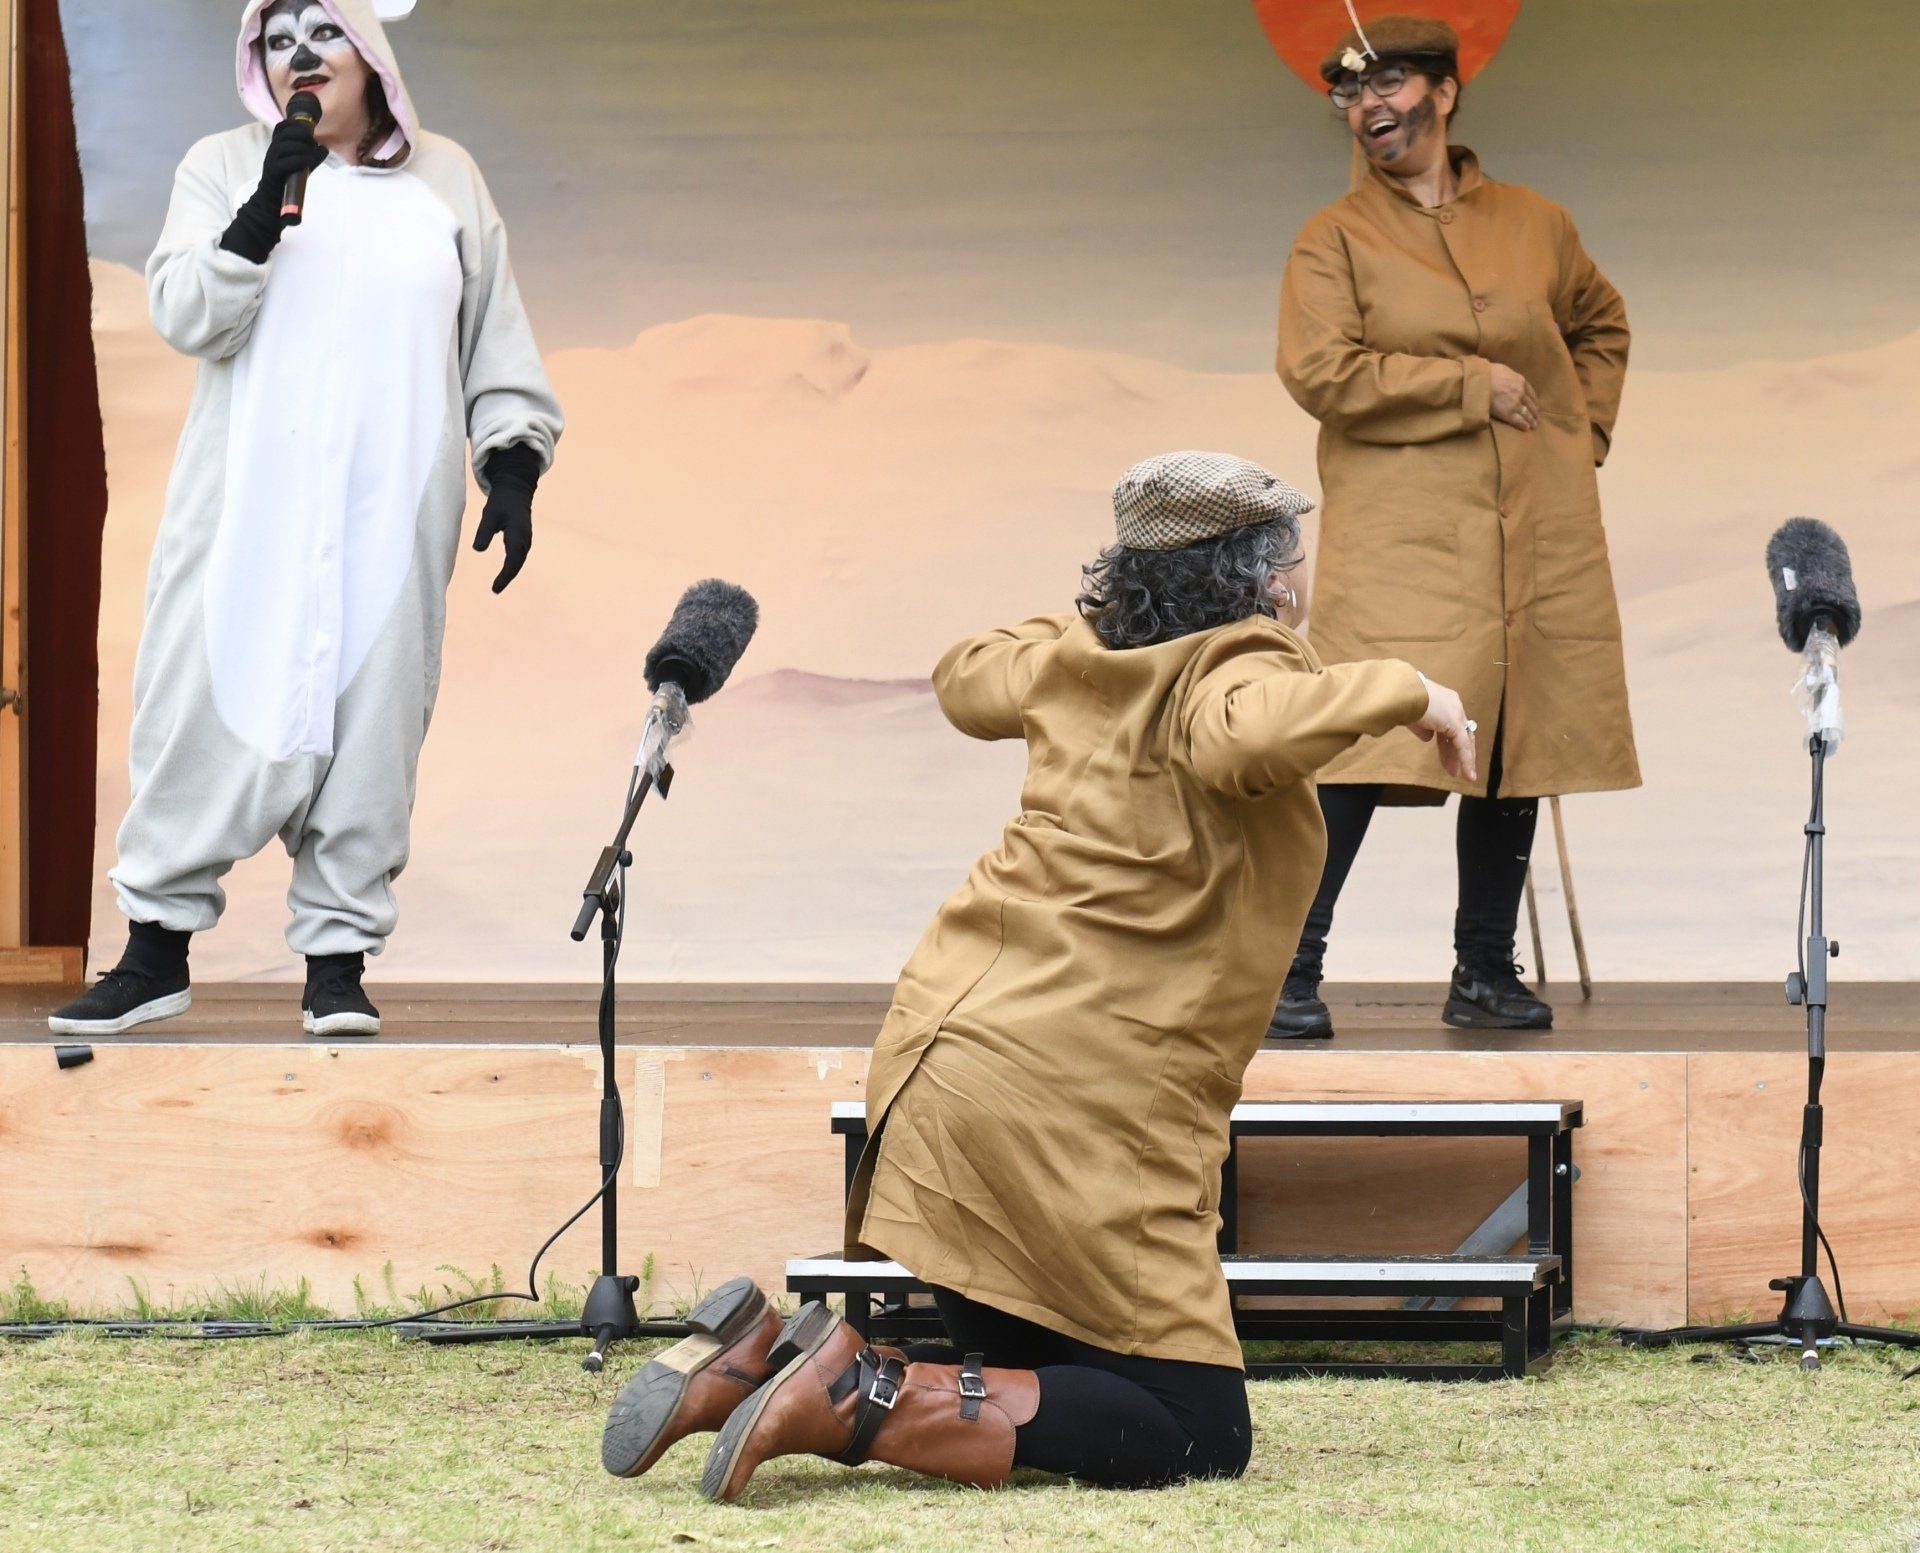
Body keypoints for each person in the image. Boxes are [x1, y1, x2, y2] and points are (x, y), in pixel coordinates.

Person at [598, 452, 1475, 1499]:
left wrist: (1091, 626)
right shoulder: (1243, 663)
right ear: (1263, 576)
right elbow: (1238, 735)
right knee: (1196, 1426)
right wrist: (1413, 687)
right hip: (1074, 1107)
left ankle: (766, 1355)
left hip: (944, 1061)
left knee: (1057, 1377)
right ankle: (853, 1393)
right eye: (1294, 558)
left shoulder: (1072, 656)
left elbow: (967, 671)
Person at [50, 0, 561, 1040]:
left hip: (389, 516)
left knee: (372, 721)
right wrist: (263, 208)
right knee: (203, 700)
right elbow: (188, 311)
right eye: (276, 43)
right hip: (249, 512)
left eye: (321, 37)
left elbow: (491, 331)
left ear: (371, 55)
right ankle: (154, 956)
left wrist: (511, 461)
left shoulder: (447, 180)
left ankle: (337, 962)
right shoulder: (222, 163)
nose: (300, 60)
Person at [1268, 15, 1638, 1042]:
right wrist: (1470, 384)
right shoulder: (1333, 238)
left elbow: (1601, 323)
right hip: (1405, 529)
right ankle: (1286, 974)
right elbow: (1322, 373)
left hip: (1536, 525)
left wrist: (1580, 432)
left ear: (1445, 90)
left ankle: (1483, 968)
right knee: (1361, 735)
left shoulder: (1537, 224)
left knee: (1514, 735)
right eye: (1349, 91)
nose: (1368, 106)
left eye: (1387, 81)